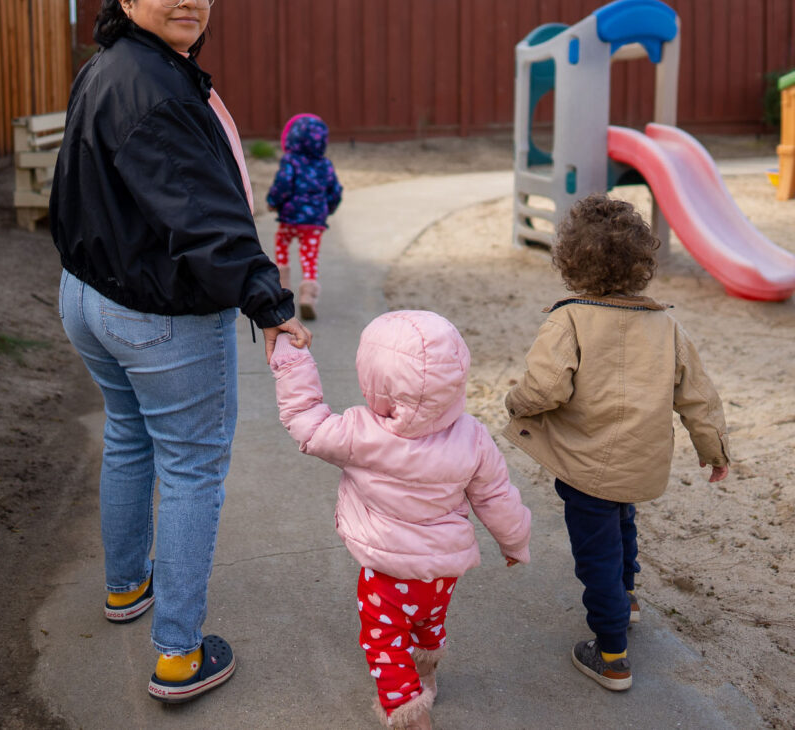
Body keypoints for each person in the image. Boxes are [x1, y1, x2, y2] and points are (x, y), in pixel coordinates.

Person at [48, 0, 312, 704]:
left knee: (130, 438)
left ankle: (128, 587)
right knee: (192, 472)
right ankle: (176, 655)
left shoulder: (112, 69)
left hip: (89, 295)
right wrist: (268, 303)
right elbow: (203, 217)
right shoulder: (155, 88)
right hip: (155, 310)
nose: (192, 0)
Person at [502, 194, 730, 693]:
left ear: (570, 262)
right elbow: (699, 396)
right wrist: (714, 451)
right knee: (622, 521)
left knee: (596, 552)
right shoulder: (666, 325)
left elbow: (544, 389)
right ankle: (626, 600)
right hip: (639, 462)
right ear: (642, 264)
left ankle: (611, 654)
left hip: (586, 465)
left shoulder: (568, 320)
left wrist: (515, 403)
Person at [270, 310, 531, 730]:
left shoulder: (361, 432)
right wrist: (515, 543)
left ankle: (412, 714)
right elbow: (496, 496)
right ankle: (426, 671)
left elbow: (307, 422)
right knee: (427, 623)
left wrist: (292, 359)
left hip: (387, 576)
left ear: (375, 379)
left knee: (384, 643)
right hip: (441, 575)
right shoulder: (473, 436)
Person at [266, 113, 342, 321]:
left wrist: (273, 202)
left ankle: (282, 290)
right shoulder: (325, 165)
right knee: (310, 258)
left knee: (281, 244)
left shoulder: (290, 160)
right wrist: (328, 209)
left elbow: (283, 184)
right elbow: (334, 191)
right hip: (314, 223)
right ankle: (307, 296)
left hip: (290, 218)